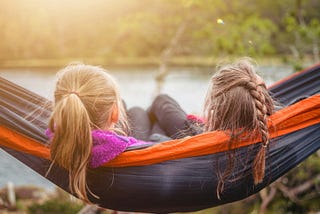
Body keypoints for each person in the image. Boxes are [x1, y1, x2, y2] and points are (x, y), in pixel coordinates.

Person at [148, 58, 275, 196]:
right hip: (205, 136)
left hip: (196, 140)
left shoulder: (206, 148)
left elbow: (155, 138)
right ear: (264, 101)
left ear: (216, 111)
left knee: (152, 106)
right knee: (160, 107)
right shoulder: (275, 132)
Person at [46, 63, 151, 202]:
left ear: (60, 108)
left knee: (136, 110)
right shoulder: (129, 147)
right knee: (159, 103)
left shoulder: (56, 138)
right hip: (143, 162)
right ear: (115, 113)